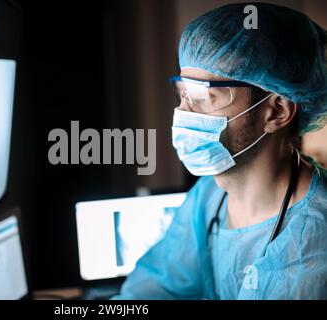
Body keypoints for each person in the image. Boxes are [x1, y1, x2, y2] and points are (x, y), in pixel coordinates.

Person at [114, 2, 327, 299]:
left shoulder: (316, 246)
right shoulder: (209, 198)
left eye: (204, 96)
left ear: (277, 111)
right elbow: (155, 288)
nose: (183, 112)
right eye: (183, 93)